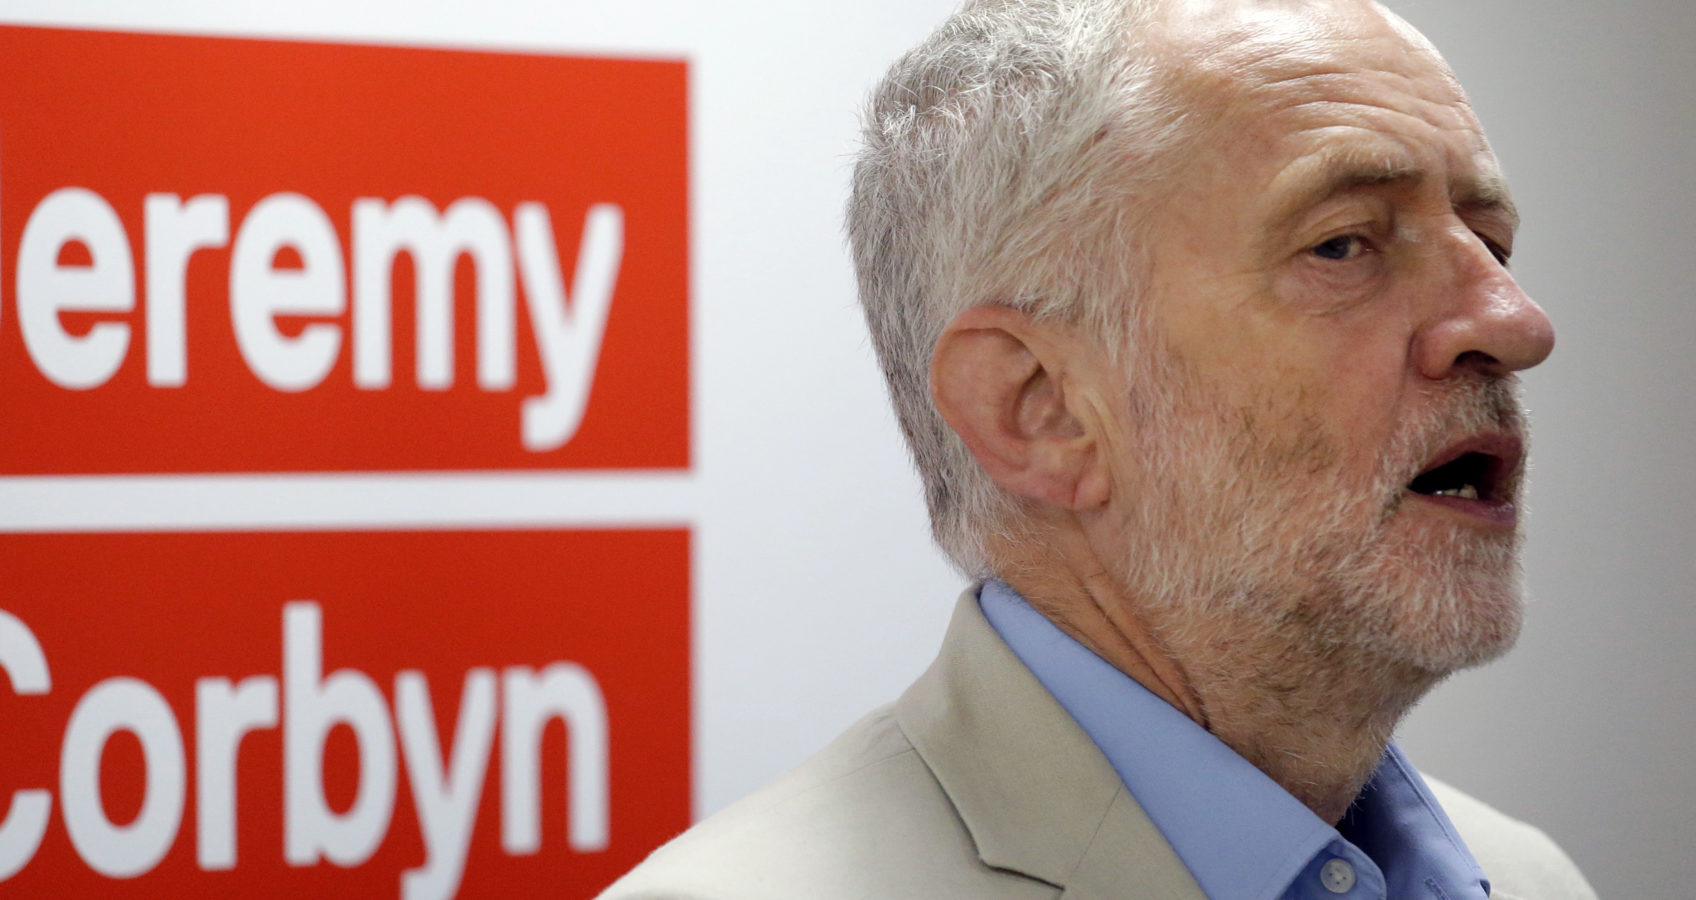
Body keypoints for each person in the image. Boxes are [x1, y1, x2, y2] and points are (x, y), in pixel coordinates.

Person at [602, 0, 1599, 896]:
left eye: (1492, 243)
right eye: (1343, 244)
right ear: (1041, 410)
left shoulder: (1528, 877)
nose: (1514, 323)